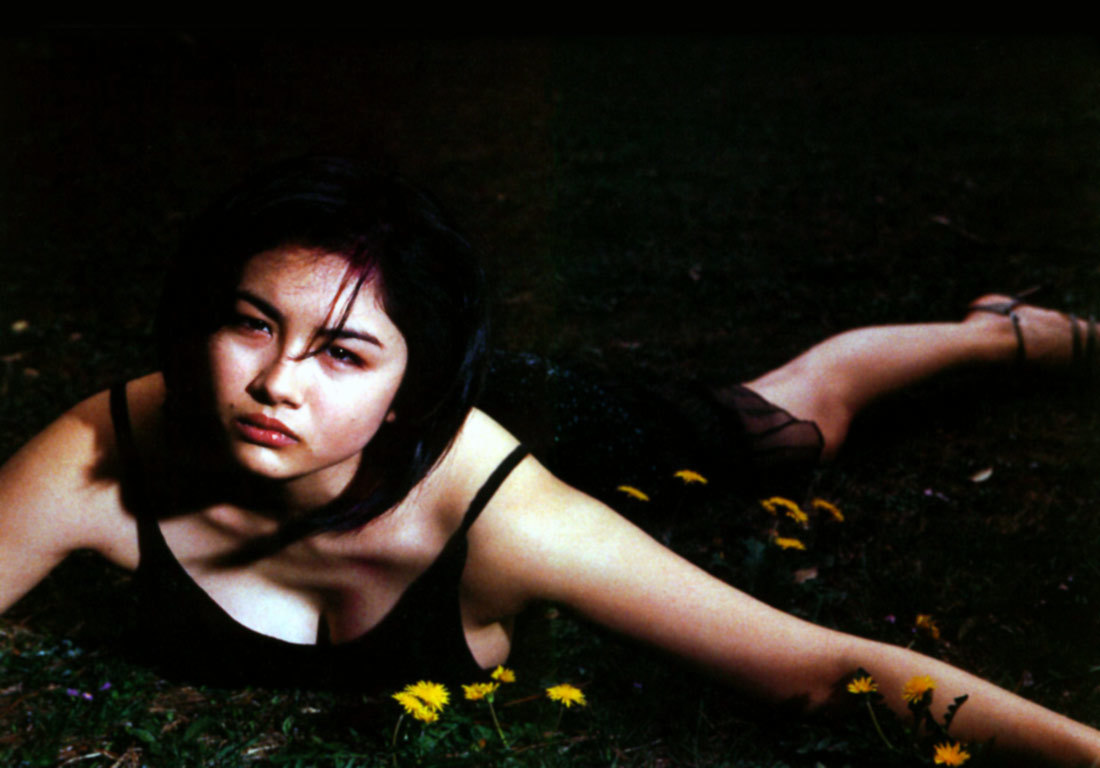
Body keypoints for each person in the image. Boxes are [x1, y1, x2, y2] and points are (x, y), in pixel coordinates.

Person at [0, 157, 1097, 765]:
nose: (276, 380)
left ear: (406, 384)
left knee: (791, 421)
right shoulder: (101, 449)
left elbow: (818, 669)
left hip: (579, 430)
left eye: (340, 351)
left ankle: (1005, 335)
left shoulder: (515, 521)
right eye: (252, 323)